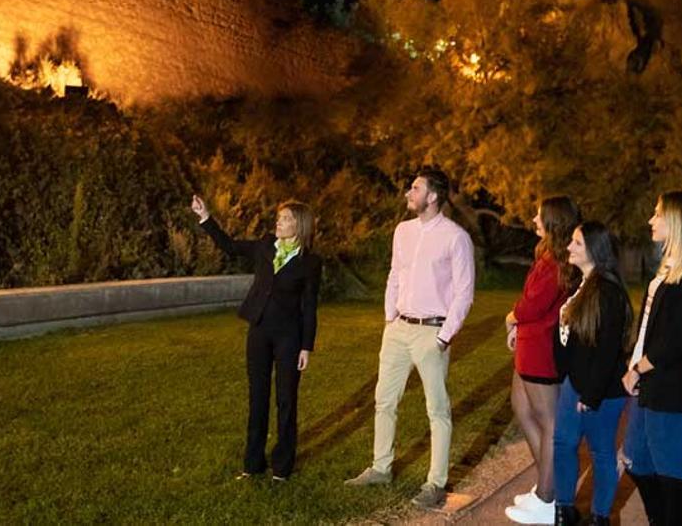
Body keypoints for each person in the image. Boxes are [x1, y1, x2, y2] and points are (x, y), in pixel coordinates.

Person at [344, 168, 476, 509]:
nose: (408, 193)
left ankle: (435, 483)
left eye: (414, 188)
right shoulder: (402, 231)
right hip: (398, 330)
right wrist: (390, 318)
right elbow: (395, 274)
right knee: (384, 401)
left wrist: (445, 337)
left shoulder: (455, 237)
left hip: (433, 332)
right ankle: (380, 467)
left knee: (438, 410)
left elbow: (464, 292)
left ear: (432, 196)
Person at [191, 195, 323, 481]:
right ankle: (252, 464)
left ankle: (282, 467)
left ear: (300, 225)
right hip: (259, 331)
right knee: (257, 398)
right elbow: (230, 246)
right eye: (280, 217)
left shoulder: (310, 262)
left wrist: (306, 346)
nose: (279, 221)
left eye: (286, 218)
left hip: (289, 336)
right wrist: (205, 217)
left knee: (286, 401)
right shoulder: (265, 245)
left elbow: (309, 307)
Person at [621, 191, 682, 526]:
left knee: (670, 468)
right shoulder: (669, 267)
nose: (651, 220)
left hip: (672, 385)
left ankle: (676, 517)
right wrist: (633, 362)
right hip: (650, 378)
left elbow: (674, 341)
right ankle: (664, 518)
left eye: (658, 214)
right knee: (636, 457)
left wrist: (639, 368)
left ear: (678, 222)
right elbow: (651, 324)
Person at [503, 197, 581, 524]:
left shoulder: (557, 263)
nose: (533, 218)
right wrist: (518, 326)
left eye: (539, 215)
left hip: (541, 347)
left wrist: (512, 317)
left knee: (549, 421)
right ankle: (544, 486)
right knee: (521, 407)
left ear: (553, 222)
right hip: (529, 342)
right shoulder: (547, 256)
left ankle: (550, 499)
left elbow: (534, 305)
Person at [550, 222, 634, 525]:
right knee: (563, 443)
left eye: (577, 243)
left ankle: (600, 517)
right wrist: (566, 376)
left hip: (601, 390)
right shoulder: (582, 286)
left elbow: (608, 349)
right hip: (575, 382)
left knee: (601, 453)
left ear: (596, 250)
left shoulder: (608, 291)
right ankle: (564, 511)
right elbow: (570, 338)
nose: (569, 247)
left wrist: (591, 393)